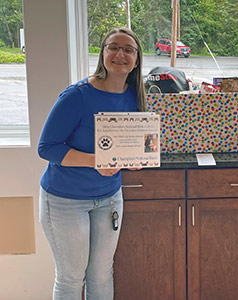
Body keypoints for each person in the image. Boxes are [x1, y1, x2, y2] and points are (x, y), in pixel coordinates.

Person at [38, 27, 146, 300]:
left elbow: (129, 141)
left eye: (128, 49)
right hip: (65, 200)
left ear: (136, 58)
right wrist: (95, 161)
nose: (120, 54)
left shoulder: (135, 95)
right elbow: (47, 148)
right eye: (113, 47)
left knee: (101, 275)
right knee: (71, 279)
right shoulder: (77, 96)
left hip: (109, 198)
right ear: (102, 53)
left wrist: (135, 157)